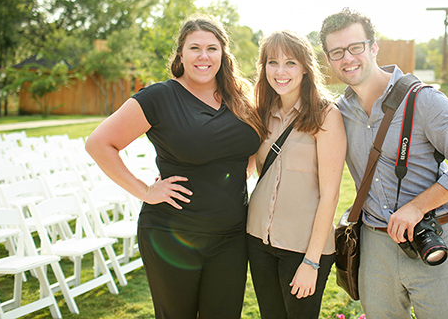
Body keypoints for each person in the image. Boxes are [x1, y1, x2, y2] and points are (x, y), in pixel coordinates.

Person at [85, 16, 263, 319]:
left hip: (231, 236)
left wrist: (238, 171)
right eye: (194, 48)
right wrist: (145, 191)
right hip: (172, 233)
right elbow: (98, 143)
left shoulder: (239, 98)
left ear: (223, 53)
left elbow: (248, 146)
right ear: (181, 54)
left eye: (212, 48)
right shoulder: (159, 97)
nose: (203, 56)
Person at [319, 8, 448, 319]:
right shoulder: (337, 113)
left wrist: (417, 207)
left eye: (356, 47)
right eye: (337, 52)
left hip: (433, 237)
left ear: (373, 47)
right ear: (329, 59)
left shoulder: (424, 101)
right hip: (375, 248)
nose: (348, 58)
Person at [247, 30, 347, 319]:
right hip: (258, 239)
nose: (280, 71)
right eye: (272, 62)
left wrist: (312, 263)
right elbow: (243, 167)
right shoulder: (260, 113)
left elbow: (330, 194)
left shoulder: (326, 116)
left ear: (305, 67)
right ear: (263, 67)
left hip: (304, 248)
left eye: (290, 63)